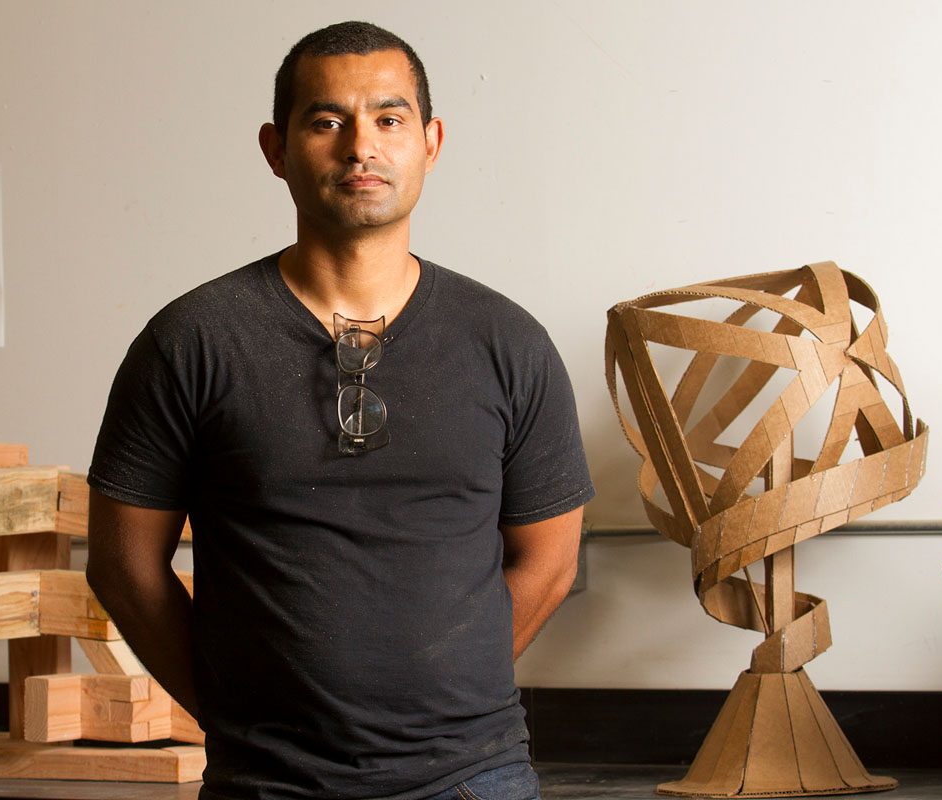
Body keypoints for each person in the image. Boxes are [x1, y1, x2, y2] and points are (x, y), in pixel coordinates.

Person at [86, 20, 593, 800]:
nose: (362, 146)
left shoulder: (507, 342)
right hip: (268, 784)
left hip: (474, 780)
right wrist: (231, 713)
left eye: (389, 120)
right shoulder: (190, 341)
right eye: (327, 121)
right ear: (275, 148)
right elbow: (123, 566)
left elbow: (552, 562)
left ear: (431, 141)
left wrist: (449, 703)